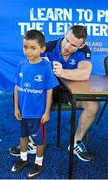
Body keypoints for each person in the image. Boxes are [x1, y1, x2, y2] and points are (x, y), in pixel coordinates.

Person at [9, 25, 99, 162]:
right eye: (67, 40)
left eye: (74, 45)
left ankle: (76, 143)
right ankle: (33, 142)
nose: (68, 46)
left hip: (67, 90)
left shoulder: (84, 51)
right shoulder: (48, 47)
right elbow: (30, 70)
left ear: (81, 46)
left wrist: (62, 72)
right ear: (64, 34)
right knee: (25, 97)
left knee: (93, 104)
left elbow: (85, 73)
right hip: (44, 90)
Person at [11, 29, 59, 179]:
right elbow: (17, 87)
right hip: (23, 111)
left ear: (42, 49)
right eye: (25, 47)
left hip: (38, 113)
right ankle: (23, 159)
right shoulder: (21, 64)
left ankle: (38, 162)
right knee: (23, 135)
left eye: (33, 48)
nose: (28, 51)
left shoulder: (46, 67)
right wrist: (16, 107)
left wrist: (46, 112)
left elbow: (49, 90)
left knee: (39, 139)